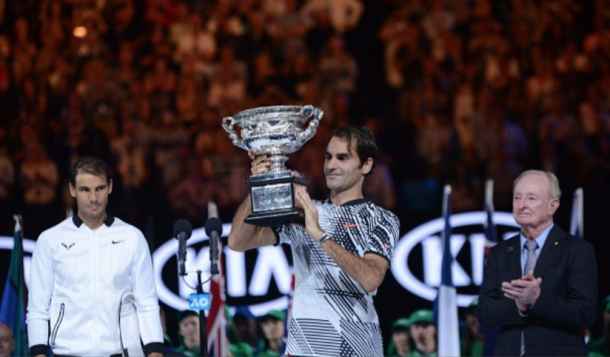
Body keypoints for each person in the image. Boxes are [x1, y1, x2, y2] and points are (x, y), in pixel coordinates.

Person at [229, 126, 400, 356]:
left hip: (357, 349)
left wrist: (318, 233)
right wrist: (258, 186)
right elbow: (236, 242)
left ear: (366, 165)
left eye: (343, 158)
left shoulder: (382, 219)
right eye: (328, 157)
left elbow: (370, 279)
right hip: (305, 349)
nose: (331, 165)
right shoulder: (305, 211)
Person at [26, 156, 164, 357]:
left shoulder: (132, 237)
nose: (93, 198)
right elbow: (38, 307)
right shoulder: (50, 240)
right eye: (85, 190)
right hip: (68, 352)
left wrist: (155, 351)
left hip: (123, 352)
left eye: (99, 188)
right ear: (72, 190)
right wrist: (38, 353)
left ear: (110, 187)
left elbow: (147, 301)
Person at [477, 170, 598, 356]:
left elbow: (585, 313)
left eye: (531, 198)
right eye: (517, 198)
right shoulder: (499, 253)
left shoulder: (576, 250)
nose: (522, 205)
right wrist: (519, 306)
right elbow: (485, 313)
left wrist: (537, 300)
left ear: (552, 206)